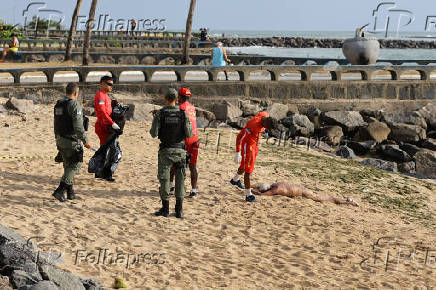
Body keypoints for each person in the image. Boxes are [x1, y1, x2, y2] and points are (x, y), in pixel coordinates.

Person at [150, 88, 192, 218]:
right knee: (180, 180)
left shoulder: (160, 114)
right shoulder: (183, 114)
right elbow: (189, 133)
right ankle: (179, 210)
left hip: (166, 151)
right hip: (180, 151)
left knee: (165, 179)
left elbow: (153, 133)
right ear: (177, 99)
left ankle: (165, 209)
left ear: (166, 99)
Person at [53, 83, 91, 202]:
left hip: (60, 139)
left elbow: (57, 123)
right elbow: (79, 127)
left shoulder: (59, 104)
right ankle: (60, 191)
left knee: (67, 165)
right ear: (76, 93)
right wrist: (85, 140)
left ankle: (70, 192)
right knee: (76, 165)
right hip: (71, 140)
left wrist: (57, 139)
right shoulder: (74, 104)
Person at [230, 112, 278, 202]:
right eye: (268, 128)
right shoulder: (252, 126)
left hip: (255, 146)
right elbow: (240, 136)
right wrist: (237, 151)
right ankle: (248, 195)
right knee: (248, 171)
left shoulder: (265, 115)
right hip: (249, 147)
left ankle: (235, 180)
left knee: (245, 166)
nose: (267, 129)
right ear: (265, 123)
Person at [169, 88, 199, 198]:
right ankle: (194, 190)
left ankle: (171, 185)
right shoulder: (192, 108)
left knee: (174, 162)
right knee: (193, 166)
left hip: (184, 139)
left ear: (180, 97)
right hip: (195, 139)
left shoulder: (179, 108)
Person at [94, 76, 120, 182]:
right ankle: (104, 172)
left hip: (106, 126)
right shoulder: (100, 96)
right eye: (109, 84)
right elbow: (102, 112)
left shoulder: (106, 96)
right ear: (102, 84)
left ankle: (102, 172)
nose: (111, 86)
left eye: (112, 84)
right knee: (110, 150)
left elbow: (107, 110)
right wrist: (112, 123)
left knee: (108, 150)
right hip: (103, 126)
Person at [252, 182, 359, 206]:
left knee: (325, 199)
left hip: (303, 194)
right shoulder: (276, 184)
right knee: (323, 197)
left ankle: (347, 202)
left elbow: (265, 194)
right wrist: (251, 187)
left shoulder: (276, 190)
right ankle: (345, 200)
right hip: (301, 189)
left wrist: (255, 192)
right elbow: (260, 186)